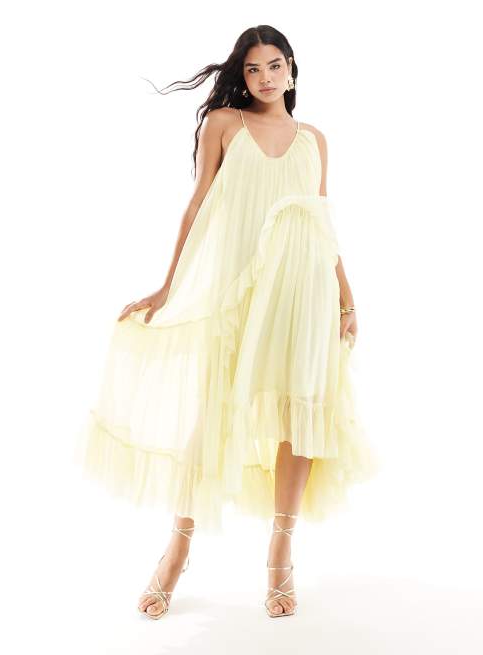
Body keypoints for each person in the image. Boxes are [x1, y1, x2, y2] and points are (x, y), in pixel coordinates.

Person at [75, 24, 380, 620]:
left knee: (299, 413)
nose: (265, 77)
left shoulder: (315, 140)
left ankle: (280, 553)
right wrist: (168, 287)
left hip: (304, 292)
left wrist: (346, 297)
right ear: (242, 75)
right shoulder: (223, 125)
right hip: (238, 292)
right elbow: (197, 205)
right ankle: (177, 549)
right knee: (210, 411)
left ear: (292, 68)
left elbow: (321, 221)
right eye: (253, 69)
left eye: (275, 65)